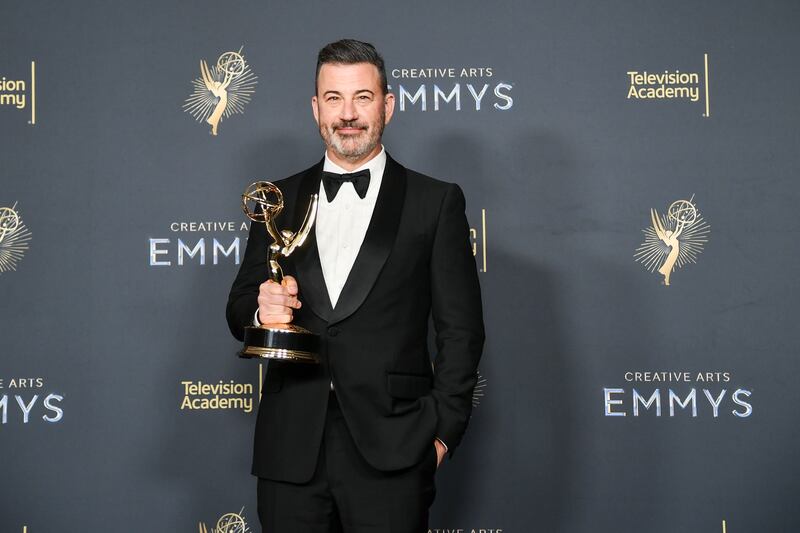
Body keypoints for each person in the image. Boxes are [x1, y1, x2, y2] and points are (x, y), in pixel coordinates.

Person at [226, 39, 484, 533]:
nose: (348, 114)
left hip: (395, 450)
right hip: (290, 455)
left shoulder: (435, 202)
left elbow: (462, 331)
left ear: (387, 105)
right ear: (315, 107)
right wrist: (262, 312)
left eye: (362, 98)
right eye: (334, 98)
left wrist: (442, 437)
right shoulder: (277, 199)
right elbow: (239, 305)